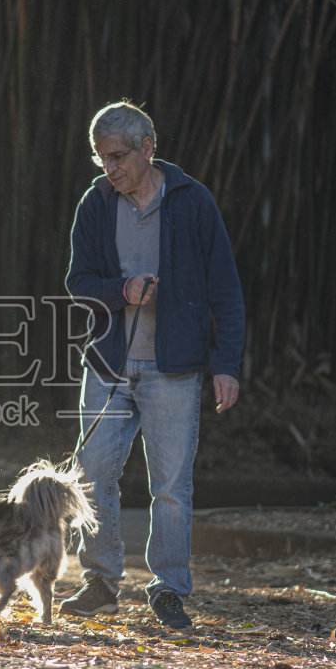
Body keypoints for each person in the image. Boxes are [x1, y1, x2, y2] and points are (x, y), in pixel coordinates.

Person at [62, 101, 244, 630]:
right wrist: (122, 291)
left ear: (148, 148)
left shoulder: (192, 203)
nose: (110, 168)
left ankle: (168, 590)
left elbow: (226, 291)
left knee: (170, 486)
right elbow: (78, 283)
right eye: (102, 160)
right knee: (93, 474)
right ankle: (100, 582)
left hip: (175, 368)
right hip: (108, 365)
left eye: (118, 156)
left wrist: (226, 364)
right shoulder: (95, 203)